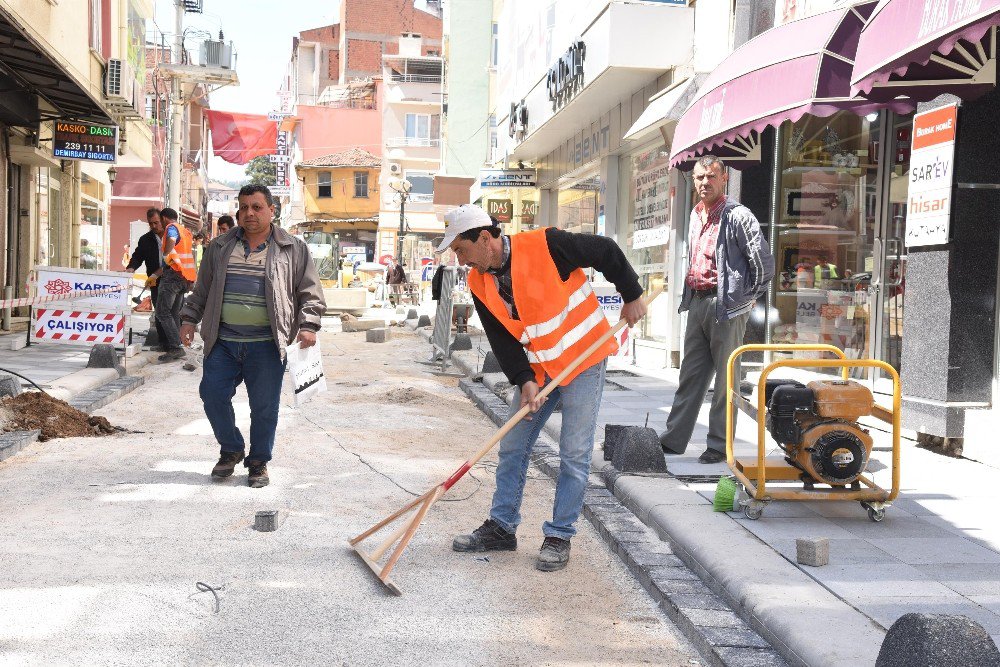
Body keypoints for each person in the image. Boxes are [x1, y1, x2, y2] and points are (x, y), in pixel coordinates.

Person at [441, 204, 646, 572]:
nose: (460, 259)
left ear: (484, 239)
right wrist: (524, 380)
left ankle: (559, 535)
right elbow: (501, 339)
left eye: (461, 249)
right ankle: (502, 527)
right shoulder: (478, 281)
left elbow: (606, 251)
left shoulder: (547, 245)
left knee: (573, 453)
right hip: (541, 366)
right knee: (513, 443)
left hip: (584, 358)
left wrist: (631, 294)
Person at [178, 185, 326, 488]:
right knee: (212, 395)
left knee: (264, 407)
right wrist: (189, 318)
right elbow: (203, 289)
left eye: (257, 207)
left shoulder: (293, 248)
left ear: (272, 210)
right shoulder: (219, 246)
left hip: (267, 344)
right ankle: (231, 448)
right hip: (223, 341)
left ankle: (258, 462)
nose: (249, 213)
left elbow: (310, 292)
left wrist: (308, 325)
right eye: (244, 207)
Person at [659, 155, 774, 463]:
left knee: (726, 380)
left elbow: (763, 263)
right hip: (697, 302)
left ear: (724, 179)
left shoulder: (739, 215)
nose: (704, 182)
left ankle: (719, 445)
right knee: (690, 374)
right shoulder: (696, 213)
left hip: (727, 306)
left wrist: (747, 299)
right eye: (699, 177)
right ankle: (673, 439)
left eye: (711, 176)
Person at [147, 207, 196, 363]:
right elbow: (176, 260)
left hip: (173, 278)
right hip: (184, 278)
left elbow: (171, 244)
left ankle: (175, 348)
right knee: (173, 312)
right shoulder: (186, 231)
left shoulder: (171, 228)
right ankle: (177, 344)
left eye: (160, 221)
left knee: (162, 312)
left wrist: (166, 253)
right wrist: (155, 275)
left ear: (164, 218)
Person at [125, 208, 167, 350]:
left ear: (162, 220)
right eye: (151, 224)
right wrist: (131, 267)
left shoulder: (172, 236)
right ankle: (163, 343)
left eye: (156, 222)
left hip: (173, 280)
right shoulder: (145, 240)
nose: (154, 226)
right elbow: (138, 256)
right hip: (155, 280)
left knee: (172, 312)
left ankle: (174, 343)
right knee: (159, 312)